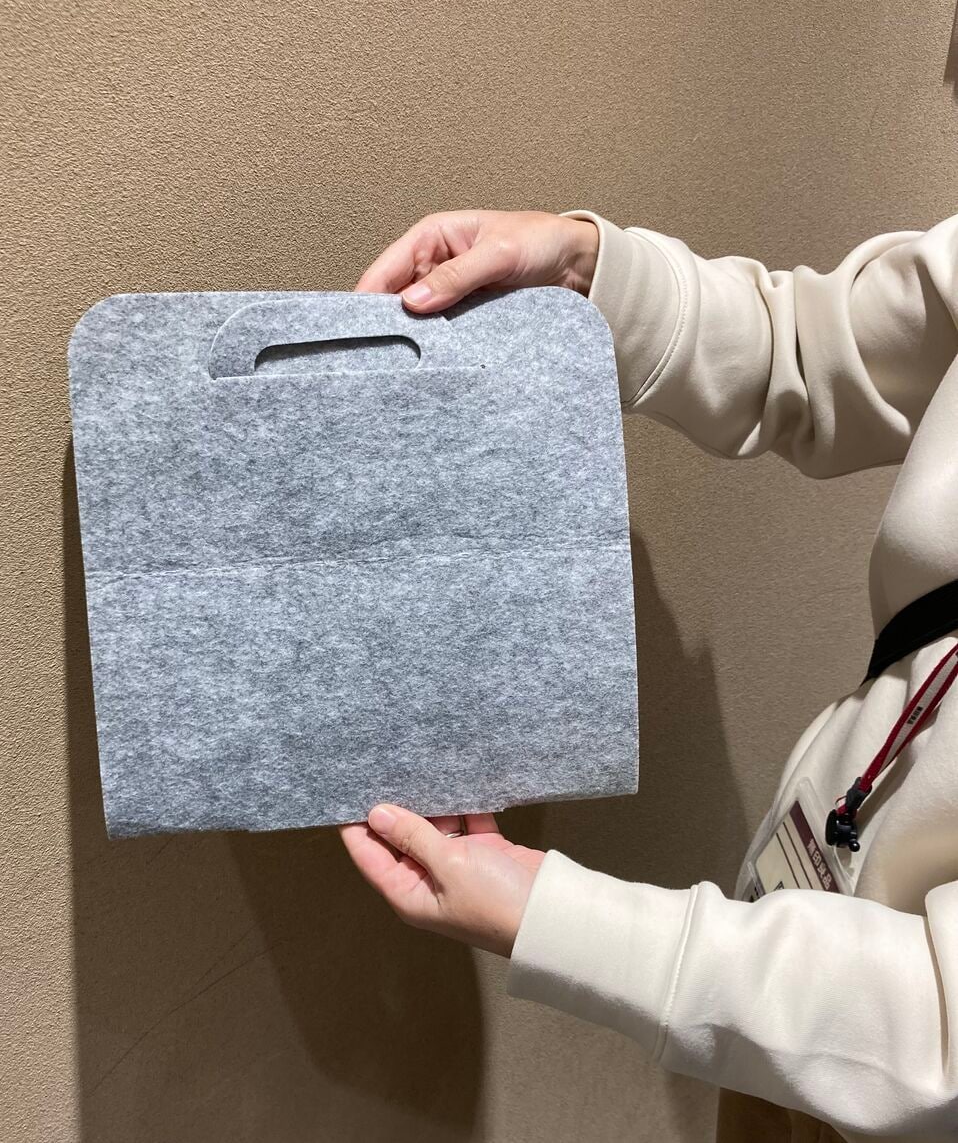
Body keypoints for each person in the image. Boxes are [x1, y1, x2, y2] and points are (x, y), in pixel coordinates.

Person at [339, 207, 958, 1143]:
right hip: (785, 942)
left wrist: (561, 921)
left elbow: (938, 1035)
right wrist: (585, 272)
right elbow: (817, 343)